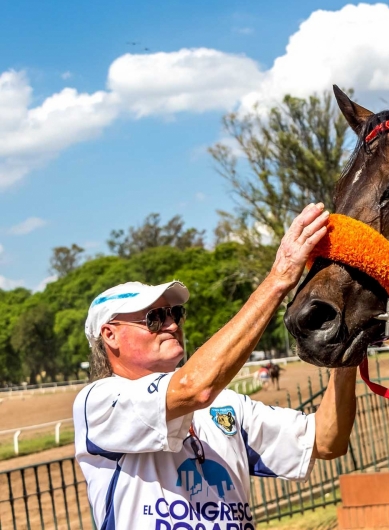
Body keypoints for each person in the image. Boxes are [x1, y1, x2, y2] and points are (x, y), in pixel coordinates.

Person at [73, 203, 356, 530]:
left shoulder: (227, 404)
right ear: (110, 335)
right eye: (154, 318)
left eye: (175, 314)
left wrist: (348, 343)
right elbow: (196, 387)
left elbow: (326, 439)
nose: (171, 324)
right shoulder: (99, 402)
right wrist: (279, 279)